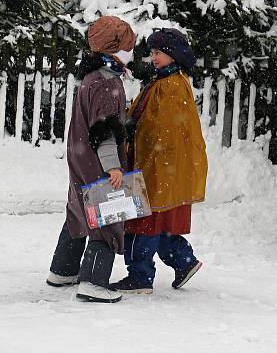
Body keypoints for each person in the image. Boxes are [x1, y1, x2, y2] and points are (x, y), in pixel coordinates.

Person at [110, 28, 208, 294]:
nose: (153, 58)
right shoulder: (164, 79)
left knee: (143, 222)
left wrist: (133, 129)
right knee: (158, 221)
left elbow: (161, 128)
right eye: (152, 53)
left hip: (157, 164)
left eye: (159, 53)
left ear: (173, 54)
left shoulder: (171, 85)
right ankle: (183, 261)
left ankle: (140, 276)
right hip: (160, 164)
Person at [46, 15, 136, 303]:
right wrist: (113, 167)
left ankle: (63, 269)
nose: (131, 52)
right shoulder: (107, 83)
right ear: (114, 49)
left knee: (78, 209)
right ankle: (94, 283)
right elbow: (104, 131)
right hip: (98, 159)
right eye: (127, 46)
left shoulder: (90, 77)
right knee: (106, 214)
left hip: (80, 154)